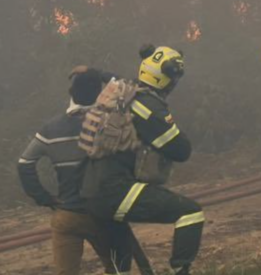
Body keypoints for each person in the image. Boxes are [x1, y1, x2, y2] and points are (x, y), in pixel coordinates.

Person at [80, 45, 203, 275]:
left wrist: (92, 70)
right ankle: (180, 270)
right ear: (166, 78)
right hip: (117, 193)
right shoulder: (149, 108)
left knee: (120, 269)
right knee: (190, 213)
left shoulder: (123, 90)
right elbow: (181, 150)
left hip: (91, 194)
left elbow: (111, 76)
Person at [17, 68, 136, 275]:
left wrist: (44, 198)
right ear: (100, 93)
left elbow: (24, 163)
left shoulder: (50, 129)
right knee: (118, 269)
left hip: (67, 216)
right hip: (104, 214)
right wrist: (98, 72)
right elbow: (130, 89)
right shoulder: (110, 123)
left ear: (70, 93)